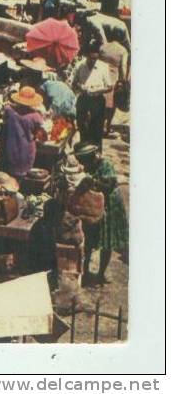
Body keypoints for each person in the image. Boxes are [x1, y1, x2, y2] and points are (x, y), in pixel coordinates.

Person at [74, 142, 128, 284]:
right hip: (94, 204)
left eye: (84, 161)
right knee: (90, 239)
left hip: (110, 205)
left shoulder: (106, 165)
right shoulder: (87, 165)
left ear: (91, 157)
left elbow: (109, 186)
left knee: (107, 241)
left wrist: (93, 182)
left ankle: (101, 273)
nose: (83, 164)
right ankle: (84, 271)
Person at [71, 47, 114, 150]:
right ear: (86, 56)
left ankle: (96, 155)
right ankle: (84, 155)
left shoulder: (103, 67)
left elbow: (109, 87)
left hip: (98, 101)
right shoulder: (79, 65)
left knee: (97, 130)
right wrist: (80, 87)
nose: (93, 61)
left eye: (95, 58)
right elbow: (73, 83)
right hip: (84, 100)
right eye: (91, 58)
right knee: (83, 129)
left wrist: (98, 91)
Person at [1, 86, 45, 181]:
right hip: (26, 151)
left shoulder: (9, 110)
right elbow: (41, 136)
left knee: (10, 177)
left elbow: (4, 121)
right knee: (22, 178)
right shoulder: (35, 116)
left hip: (11, 149)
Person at [99, 29, 130, 138]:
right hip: (113, 80)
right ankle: (107, 127)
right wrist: (123, 81)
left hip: (101, 79)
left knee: (100, 104)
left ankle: (99, 126)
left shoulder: (103, 47)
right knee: (111, 106)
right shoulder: (123, 50)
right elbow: (123, 67)